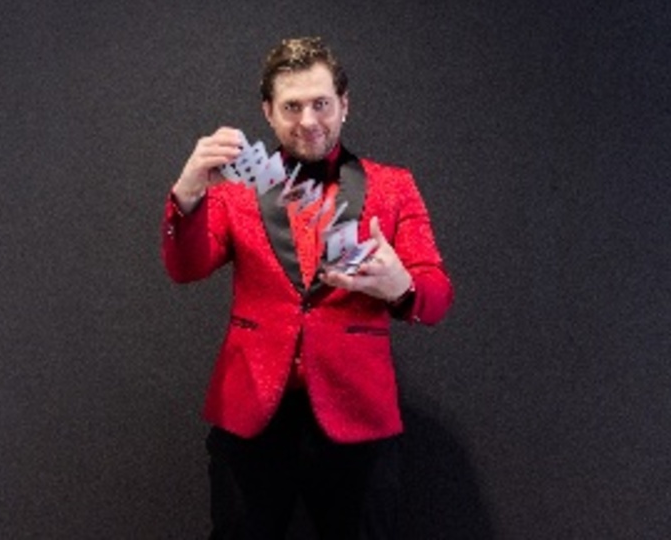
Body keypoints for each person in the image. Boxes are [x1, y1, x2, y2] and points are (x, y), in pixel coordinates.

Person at [161, 37, 453, 539]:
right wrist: (186, 194)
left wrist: (401, 286)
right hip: (251, 413)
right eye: (292, 106)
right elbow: (186, 268)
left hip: (357, 416)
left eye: (321, 103)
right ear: (268, 113)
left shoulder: (393, 186)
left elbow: (436, 295)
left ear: (344, 105)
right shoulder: (233, 191)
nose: (309, 120)